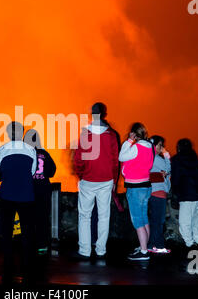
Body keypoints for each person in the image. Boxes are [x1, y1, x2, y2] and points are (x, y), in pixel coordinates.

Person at [0, 122, 37, 282]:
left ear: (8, 134)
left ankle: (8, 259)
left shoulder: (3, 149)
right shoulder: (31, 149)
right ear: (22, 133)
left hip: (7, 193)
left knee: (7, 229)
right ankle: (27, 261)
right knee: (27, 229)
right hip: (26, 194)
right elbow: (33, 171)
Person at [73, 103, 119, 260]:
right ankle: (101, 250)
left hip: (88, 179)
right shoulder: (111, 135)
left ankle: (85, 250)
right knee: (104, 216)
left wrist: (81, 174)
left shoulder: (85, 134)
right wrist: (114, 179)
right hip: (106, 180)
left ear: (92, 114)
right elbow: (115, 161)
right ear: (104, 114)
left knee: (84, 216)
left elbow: (78, 158)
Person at [119, 122, 154, 261]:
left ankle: (144, 252)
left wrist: (128, 140)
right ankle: (144, 246)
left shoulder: (136, 147)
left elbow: (121, 156)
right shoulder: (150, 146)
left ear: (134, 133)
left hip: (135, 187)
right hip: (146, 185)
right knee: (144, 217)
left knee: (137, 219)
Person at [171, 138, 198, 249]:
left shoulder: (177, 161)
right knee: (195, 224)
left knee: (184, 224)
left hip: (186, 197)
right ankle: (196, 245)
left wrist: (175, 193)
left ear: (178, 148)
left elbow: (175, 180)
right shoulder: (197, 162)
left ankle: (191, 246)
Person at [23, 129, 57, 255]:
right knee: (43, 219)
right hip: (43, 190)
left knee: (27, 219)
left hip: (28, 191)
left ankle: (28, 244)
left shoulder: (24, 152)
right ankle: (42, 245)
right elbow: (52, 171)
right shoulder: (44, 153)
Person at [147, 135, 171, 254]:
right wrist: (166, 155)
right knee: (158, 220)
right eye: (160, 145)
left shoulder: (148, 158)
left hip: (153, 192)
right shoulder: (156, 158)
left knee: (155, 220)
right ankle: (158, 245)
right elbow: (168, 169)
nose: (162, 148)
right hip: (158, 192)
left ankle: (153, 244)